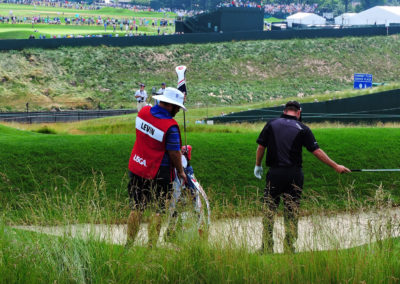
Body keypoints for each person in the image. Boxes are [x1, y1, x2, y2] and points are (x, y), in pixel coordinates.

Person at [254, 101, 350, 253]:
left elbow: (261, 147)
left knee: (269, 210)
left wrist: (258, 165)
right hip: (294, 175)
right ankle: (289, 246)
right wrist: (336, 166)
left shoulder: (271, 124)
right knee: (291, 210)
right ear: (299, 112)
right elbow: (316, 151)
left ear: (284, 111)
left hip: (275, 173)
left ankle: (266, 247)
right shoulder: (303, 128)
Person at [127, 87, 188, 248]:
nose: (177, 111)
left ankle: (129, 244)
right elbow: (174, 153)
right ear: (170, 105)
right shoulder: (171, 126)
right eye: (177, 107)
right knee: (158, 210)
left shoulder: (143, 112)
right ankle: (151, 247)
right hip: (158, 173)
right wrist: (181, 172)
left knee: (137, 208)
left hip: (137, 166)